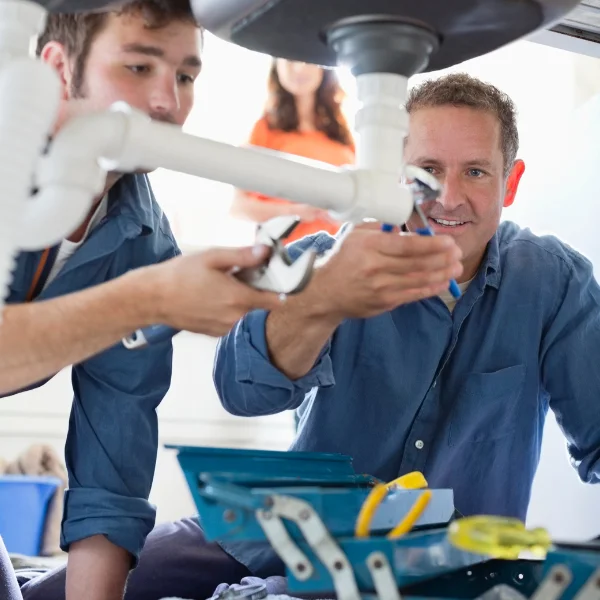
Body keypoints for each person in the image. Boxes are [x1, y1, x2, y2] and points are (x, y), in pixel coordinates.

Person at [26, 73, 600, 600]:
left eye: (475, 172)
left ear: (511, 181)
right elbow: (241, 390)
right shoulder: (324, 260)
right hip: (267, 530)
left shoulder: (552, 282)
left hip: (433, 571)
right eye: (427, 172)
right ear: (393, 176)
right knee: (47, 595)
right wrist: (323, 299)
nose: (449, 197)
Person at [1, 3, 282, 600]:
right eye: (137, 67)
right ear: (56, 69)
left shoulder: (145, 244)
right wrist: (144, 299)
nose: (168, 103)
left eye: (185, 76)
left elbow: (112, 468)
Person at [230, 58, 355, 244]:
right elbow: (239, 207)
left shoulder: (341, 132)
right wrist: (295, 211)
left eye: (307, 60)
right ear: (276, 67)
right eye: (289, 60)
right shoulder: (266, 129)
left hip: (336, 252)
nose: (298, 68)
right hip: (287, 257)